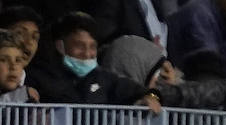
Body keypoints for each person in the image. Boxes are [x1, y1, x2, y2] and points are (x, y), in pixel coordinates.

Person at [26, 13, 160, 110]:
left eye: (92, 47)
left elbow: (148, 92)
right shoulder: (37, 77)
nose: (87, 53)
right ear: (60, 46)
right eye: (80, 46)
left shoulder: (104, 78)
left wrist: (152, 97)